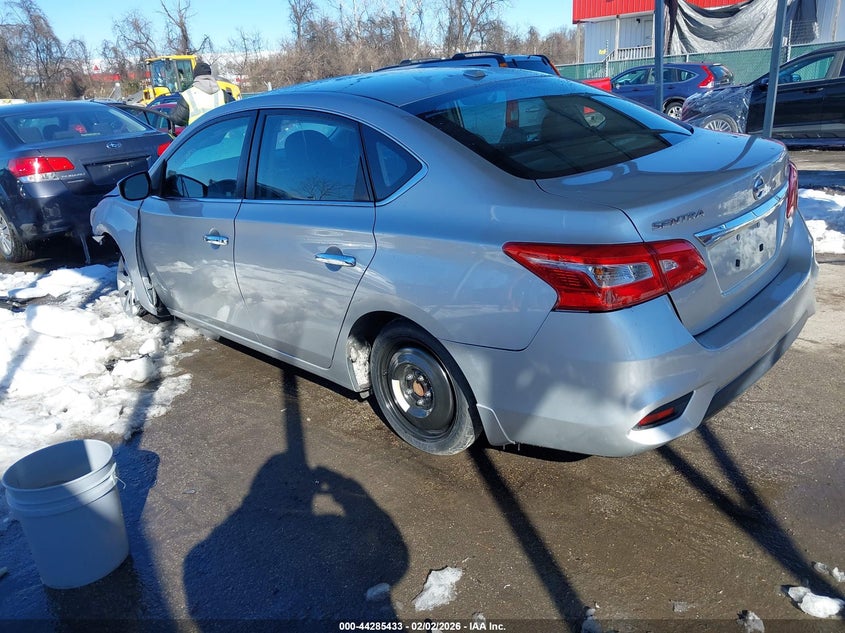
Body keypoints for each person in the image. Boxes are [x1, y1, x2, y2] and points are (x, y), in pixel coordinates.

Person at [170, 61, 233, 126]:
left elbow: (178, 119)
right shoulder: (222, 94)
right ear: (210, 75)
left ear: (195, 76)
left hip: (197, 134)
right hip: (220, 134)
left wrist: (172, 112)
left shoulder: (188, 95)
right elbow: (235, 113)